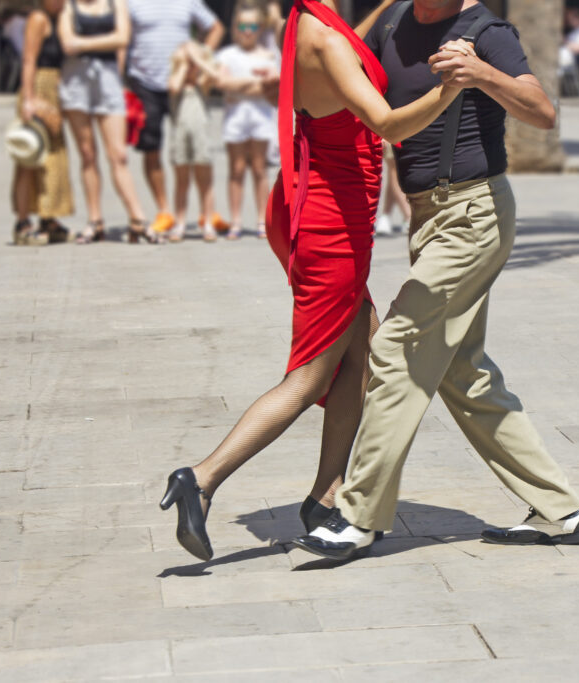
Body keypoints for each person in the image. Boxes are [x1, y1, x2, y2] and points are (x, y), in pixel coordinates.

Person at [158, 0, 466, 563]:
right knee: (307, 378)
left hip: (314, 204)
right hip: (329, 224)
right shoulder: (322, 38)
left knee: (361, 361)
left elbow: (350, 45)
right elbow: (390, 123)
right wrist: (452, 87)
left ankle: (326, 496)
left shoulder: (310, 21)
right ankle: (200, 480)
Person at [294, 0, 579, 562]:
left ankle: (359, 516)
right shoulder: (392, 22)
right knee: (464, 374)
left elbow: (543, 112)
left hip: (474, 214)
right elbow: (340, 56)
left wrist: (482, 74)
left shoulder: (487, 32)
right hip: (428, 216)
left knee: (398, 348)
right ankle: (561, 509)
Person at [126, 0, 224, 240]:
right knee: (152, 148)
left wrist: (201, 55)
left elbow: (216, 27)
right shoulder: (131, 3)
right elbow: (123, 38)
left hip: (183, 87)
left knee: (198, 153)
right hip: (145, 81)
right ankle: (165, 211)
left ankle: (207, 212)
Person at [59, 0, 156, 243]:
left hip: (108, 80)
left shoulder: (116, 4)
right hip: (76, 81)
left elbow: (122, 38)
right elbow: (67, 44)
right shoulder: (68, 5)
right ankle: (95, 220)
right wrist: (105, 40)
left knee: (118, 155)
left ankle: (138, 218)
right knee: (87, 154)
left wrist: (82, 42)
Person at [214, 2, 280, 240]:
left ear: (261, 28)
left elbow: (270, 88)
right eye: (243, 26)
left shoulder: (268, 56)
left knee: (260, 169)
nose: (248, 31)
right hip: (235, 119)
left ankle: (262, 220)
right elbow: (221, 84)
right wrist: (254, 85)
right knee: (237, 169)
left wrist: (239, 85)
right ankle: (236, 220)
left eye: (253, 26)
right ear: (235, 28)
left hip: (261, 119)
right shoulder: (227, 55)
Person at [12, 0, 73, 246]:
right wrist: (29, 99)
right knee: (31, 158)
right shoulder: (38, 19)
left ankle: (49, 217)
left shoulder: (62, 19)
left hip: (55, 89)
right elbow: (28, 60)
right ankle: (23, 221)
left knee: (54, 158)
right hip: (38, 87)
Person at [165, 41, 226, 242]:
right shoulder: (177, 80)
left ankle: (207, 222)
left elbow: (216, 76)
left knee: (204, 182)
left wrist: (198, 59)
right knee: (182, 182)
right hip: (180, 137)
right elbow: (173, 87)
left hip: (201, 137)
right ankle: (180, 222)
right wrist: (184, 65)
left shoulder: (203, 82)